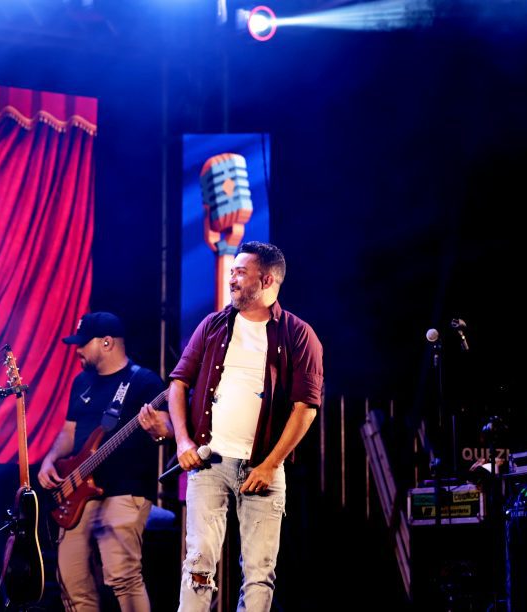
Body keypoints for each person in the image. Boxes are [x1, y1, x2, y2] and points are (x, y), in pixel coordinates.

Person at [168, 241, 324, 611]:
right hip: (209, 464)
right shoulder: (213, 326)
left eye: (241, 272)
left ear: (266, 280)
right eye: (232, 271)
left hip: (263, 470)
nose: (232, 279)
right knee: (198, 564)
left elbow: (306, 408)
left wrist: (270, 465)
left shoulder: (298, 334)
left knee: (258, 573)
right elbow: (178, 385)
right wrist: (183, 442)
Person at [38, 312, 173, 612]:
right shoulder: (81, 382)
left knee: (122, 576)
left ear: (107, 343)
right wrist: (50, 460)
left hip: (124, 490)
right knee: (71, 580)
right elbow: (69, 432)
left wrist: (159, 430)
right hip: (77, 491)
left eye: (83, 343)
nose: (77, 350)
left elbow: (167, 427)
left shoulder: (144, 381)